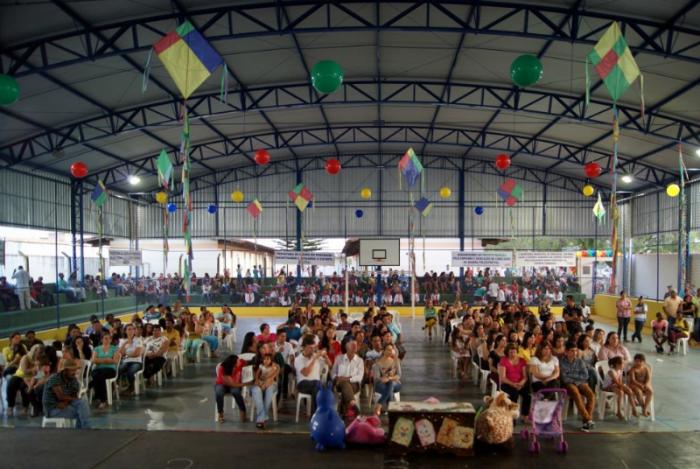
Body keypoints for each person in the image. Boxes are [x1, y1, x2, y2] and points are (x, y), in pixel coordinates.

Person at [42, 358, 91, 428]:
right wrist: (68, 400)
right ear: (65, 371)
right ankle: (85, 431)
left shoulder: (74, 381)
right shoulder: (55, 378)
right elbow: (61, 396)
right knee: (81, 412)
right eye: (71, 370)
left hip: (65, 404)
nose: (74, 372)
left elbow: (73, 396)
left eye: (75, 370)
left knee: (82, 403)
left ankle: (83, 431)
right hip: (52, 408)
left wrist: (66, 402)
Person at [559, 342, 596, 431]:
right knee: (576, 394)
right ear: (566, 352)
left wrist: (572, 377)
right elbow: (564, 378)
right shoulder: (561, 362)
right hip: (569, 384)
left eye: (576, 351)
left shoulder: (580, 361)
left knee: (591, 395)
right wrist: (576, 378)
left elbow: (585, 375)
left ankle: (587, 421)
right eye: (572, 351)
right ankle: (588, 419)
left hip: (580, 382)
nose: (575, 353)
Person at [294, 335, 331, 416]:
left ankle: (316, 414)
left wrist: (325, 356)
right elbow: (306, 373)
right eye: (310, 347)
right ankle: (318, 414)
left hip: (316, 384)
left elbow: (329, 364)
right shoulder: (298, 359)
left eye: (313, 347)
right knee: (318, 386)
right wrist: (314, 359)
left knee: (321, 387)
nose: (312, 350)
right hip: (303, 384)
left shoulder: (315, 355)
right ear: (303, 347)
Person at [331, 339, 364, 420]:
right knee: (344, 384)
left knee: (345, 384)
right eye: (352, 345)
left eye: (356, 345)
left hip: (354, 385)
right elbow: (333, 373)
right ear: (346, 347)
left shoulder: (359, 361)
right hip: (339, 383)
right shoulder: (339, 358)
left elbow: (360, 376)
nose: (354, 347)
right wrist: (336, 378)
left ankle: (345, 410)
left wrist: (347, 379)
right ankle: (352, 404)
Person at [497, 344, 529, 421]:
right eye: (511, 352)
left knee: (527, 395)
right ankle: (511, 416)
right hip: (507, 384)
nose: (513, 354)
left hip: (519, 383)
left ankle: (525, 415)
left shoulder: (522, 360)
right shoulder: (503, 360)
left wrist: (521, 383)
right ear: (507, 352)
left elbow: (525, 377)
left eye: (514, 352)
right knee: (514, 395)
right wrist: (513, 384)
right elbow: (502, 378)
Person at [215, 354, 250, 423]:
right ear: (232, 363)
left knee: (236, 392)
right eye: (237, 361)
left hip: (234, 385)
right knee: (219, 392)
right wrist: (246, 384)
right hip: (222, 384)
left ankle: (243, 411)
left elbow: (249, 363)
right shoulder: (222, 368)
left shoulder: (240, 363)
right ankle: (220, 413)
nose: (239, 362)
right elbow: (232, 384)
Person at [90, 333, 121, 409]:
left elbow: (115, 361)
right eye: (105, 338)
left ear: (111, 340)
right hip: (98, 369)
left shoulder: (115, 348)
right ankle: (102, 398)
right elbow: (94, 360)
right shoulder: (97, 348)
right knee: (95, 374)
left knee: (99, 376)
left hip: (110, 369)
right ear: (101, 340)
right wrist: (106, 359)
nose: (107, 340)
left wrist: (100, 360)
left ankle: (101, 399)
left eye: (109, 338)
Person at [250, 351, 279, 428]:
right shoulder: (261, 366)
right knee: (257, 389)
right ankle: (263, 417)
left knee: (269, 391)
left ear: (271, 360)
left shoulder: (273, 367)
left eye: (268, 359)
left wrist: (265, 384)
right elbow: (257, 374)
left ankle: (260, 419)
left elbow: (271, 377)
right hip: (261, 382)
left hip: (270, 383)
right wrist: (257, 381)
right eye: (264, 359)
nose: (266, 361)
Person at [372, 343, 402, 416]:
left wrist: (389, 378)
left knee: (391, 383)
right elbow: (376, 378)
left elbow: (399, 375)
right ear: (383, 351)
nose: (390, 351)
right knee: (389, 388)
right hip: (381, 384)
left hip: (396, 383)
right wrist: (383, 379)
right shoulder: (377, 363)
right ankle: (390, 408)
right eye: (388, 350)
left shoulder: (396, 361)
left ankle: (379, 406)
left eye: (391, 350)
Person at [118, 324, 143, 395]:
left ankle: (132, 387)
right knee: (118, 369)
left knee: (131, 372)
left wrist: (126, 354)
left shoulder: (138, 340)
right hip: (125, 361)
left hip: (136, 362)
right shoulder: (122, 340)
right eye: (129, 329)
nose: (131, 331)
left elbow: (136, 354)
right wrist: (126, 343)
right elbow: (120, 353)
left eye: (133, 329)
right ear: (125, 331)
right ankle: (115, 386)